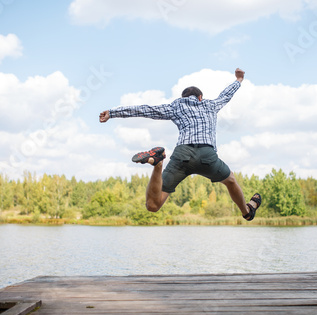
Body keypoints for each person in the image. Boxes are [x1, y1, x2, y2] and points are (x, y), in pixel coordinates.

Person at [99, 68, 261, 220]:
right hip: (207, 154)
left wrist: (112, 113)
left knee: (153, 206)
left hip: (182, 154)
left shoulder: (176, 106)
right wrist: (239, 79)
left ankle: (158, 162)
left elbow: (146, 109)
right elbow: (226, 95)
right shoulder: (209, 105)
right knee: (230, 180)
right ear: (200, 97)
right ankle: (246, 212)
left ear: (183, 98)